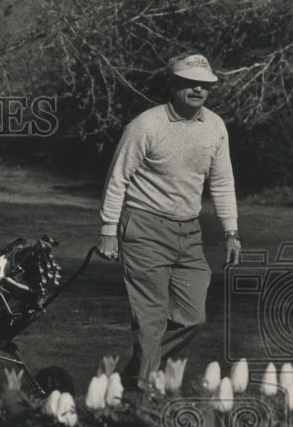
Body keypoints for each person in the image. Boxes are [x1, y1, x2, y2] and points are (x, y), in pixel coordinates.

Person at [97, 52, 242, 391]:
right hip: (144, 228)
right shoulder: (146, 125)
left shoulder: (215, 127)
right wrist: (108, 230)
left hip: (189, 231)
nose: (198, 89)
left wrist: (231, 232)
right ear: (174, 83)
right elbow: (117, 179)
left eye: (205, 85)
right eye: (190, 83)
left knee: (193, 316)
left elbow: (222, 183)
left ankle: (132, 376)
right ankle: (145, 398)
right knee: (150, 320)